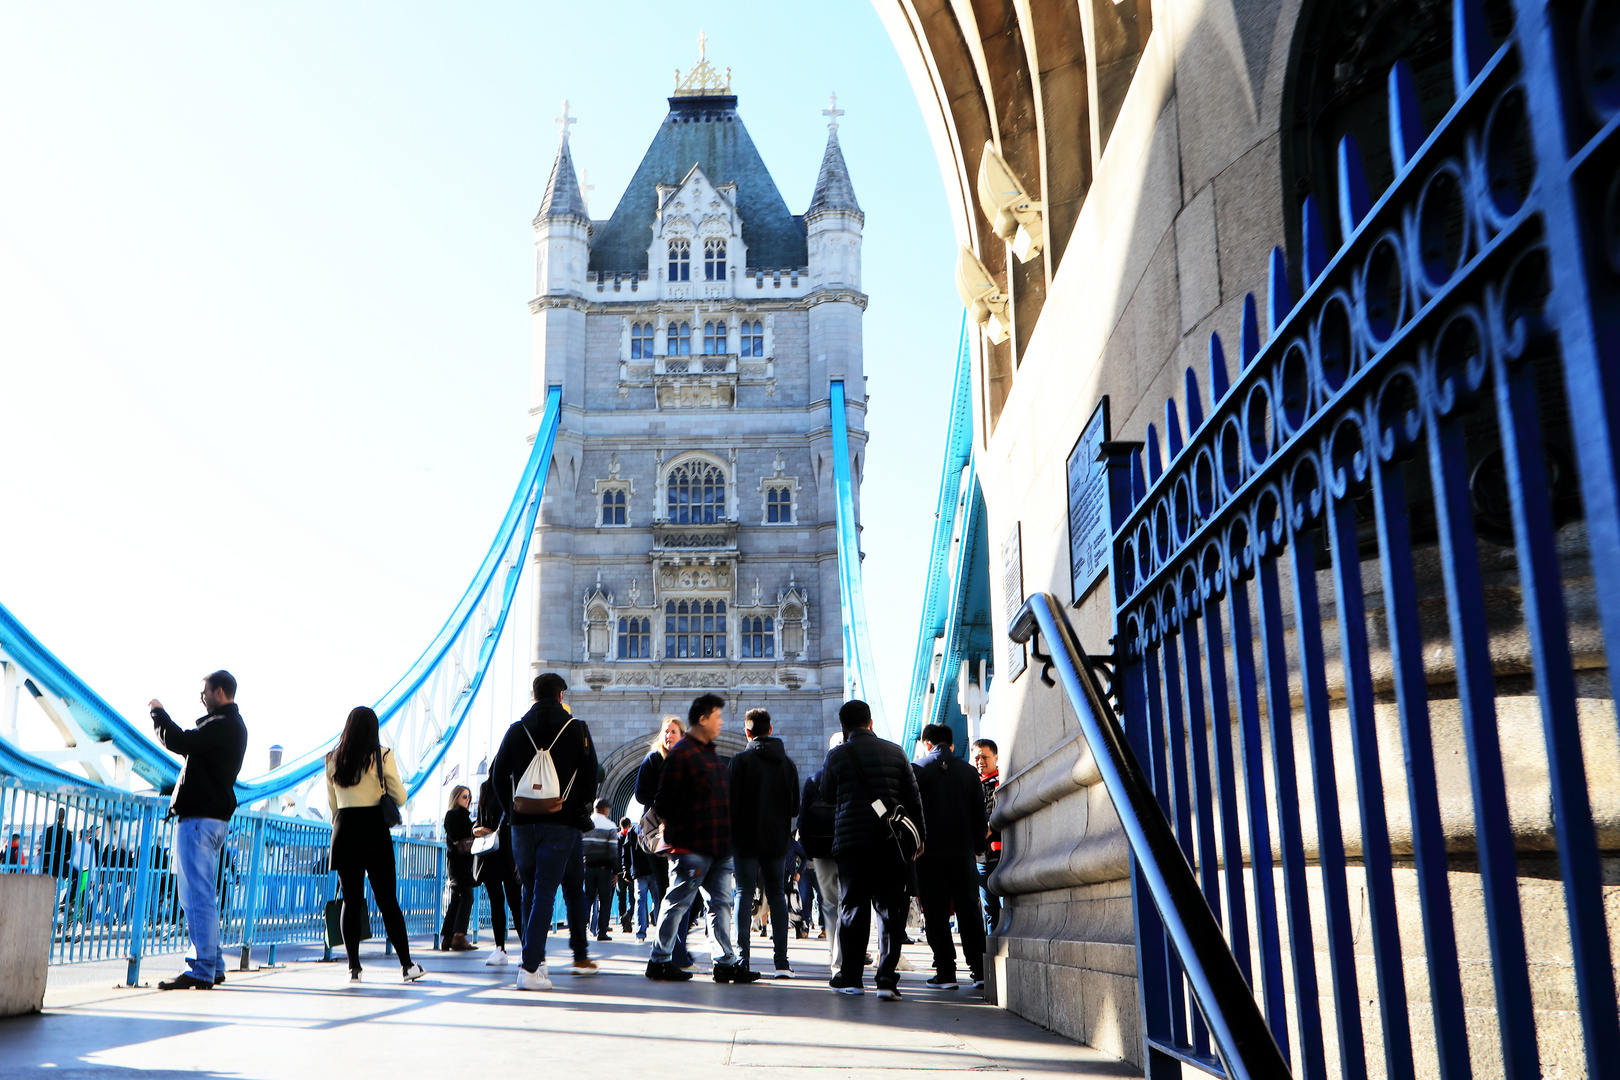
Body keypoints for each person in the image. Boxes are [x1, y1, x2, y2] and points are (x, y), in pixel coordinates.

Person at [491, 672, 599, 991]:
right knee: (545, 891)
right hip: (561, 821)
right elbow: (592, 775)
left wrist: (512, 811)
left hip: (522, 823)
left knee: (529, 889)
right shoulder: (576, 728)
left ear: (534, 696)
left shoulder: (515, 730)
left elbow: (498, 777)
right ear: (561, 696)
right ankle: (529, 968)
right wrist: (579, 808)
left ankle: (535, 959)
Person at [646, 693, 759, 984]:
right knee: (677, 903)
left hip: (719, 847)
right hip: (692, 846)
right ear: (703, 718)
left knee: (721, 905)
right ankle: (659, 961)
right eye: (718, 716)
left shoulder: (709, 752)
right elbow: (663, 802)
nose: (722, 722)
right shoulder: (682, 754)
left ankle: (725, 963)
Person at [149, 671, 249, 991]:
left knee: (195, 895)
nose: (202, 697)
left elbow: (180, 741)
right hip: (214, 821)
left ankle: (201, 968)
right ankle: (214, 963)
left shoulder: (221, 726)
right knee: (203, 893)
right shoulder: (234, 727)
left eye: (204, 691)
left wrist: (157, 713)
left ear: (219, 691)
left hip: (198, 821)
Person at [821, 699, 925, 1000]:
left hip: (851, 844)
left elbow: (827, 796)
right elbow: (913, 798)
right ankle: (886, 980)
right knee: (890, 910)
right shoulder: (896, 752)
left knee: (853, 907)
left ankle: (852, 977)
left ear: (844, 727)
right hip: (890, 843)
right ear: (871, 722)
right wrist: (919, 839)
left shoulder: (837, 756)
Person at [324, 705, 427, 984]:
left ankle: (353, 969)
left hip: (344, 831)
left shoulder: (332, 759)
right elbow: (401, 797)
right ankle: (407, 967)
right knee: (387, 901)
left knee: (351, 900)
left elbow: (333, 805)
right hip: (374, 830)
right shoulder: (382, 755)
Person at [913, 724, 989, 989]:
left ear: (927, 744)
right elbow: (980, 816)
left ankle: (945, 973)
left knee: (935, 913)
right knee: (968, 909)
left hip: (928, 854)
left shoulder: (916, 769)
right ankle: (979, 971)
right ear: (952, 745)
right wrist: (978, 845)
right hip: (962, 853)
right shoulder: (969, 773)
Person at [728, 708, 800, 978]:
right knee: (777, 896)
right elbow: (794, 809)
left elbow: (730, 805)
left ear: (747, 732)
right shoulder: (788, 764)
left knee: (743, 893)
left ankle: (742, 960)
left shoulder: (739, 761)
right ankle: (781, 963)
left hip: (745, 840)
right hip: (776, 840)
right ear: (770, 730)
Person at [635, 715, 694, 969]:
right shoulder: (653, 760)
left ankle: (672, 947)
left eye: (674, 731)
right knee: (666, 892)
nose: (669, 735)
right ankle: (672, 953)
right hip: (659, 835)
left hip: (685, 833)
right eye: (666, 731)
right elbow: (640, 794)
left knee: (688, 893)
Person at [799, 730, 843, 971]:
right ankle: (847, 953)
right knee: (852, 902)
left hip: (823, 851)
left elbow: (803, 820)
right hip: (851, 848)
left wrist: (809, 850)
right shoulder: (856, 777)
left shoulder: (814, 780)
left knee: (831, 904)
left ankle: (837, 959)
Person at [473, 775, 524, 967]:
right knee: (503, 902)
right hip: (496, 852)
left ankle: (519, 948)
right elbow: (478, 823)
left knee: (513, 901)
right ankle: (500, 948)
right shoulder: (510, 786)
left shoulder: (491, 788)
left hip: (504, 853)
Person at [970, 738, 1002, 934]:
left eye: (985, 757)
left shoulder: (1003, 781)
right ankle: (992, 950)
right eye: (976, 757)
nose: (980, 761)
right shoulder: (971, 784)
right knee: (988, 909)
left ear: (996, 757)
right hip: (982, 858)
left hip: (1003, 854)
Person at [440, 785, 476, 951]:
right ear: (456, 798)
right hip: (458, 863)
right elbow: (457, 835)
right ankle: (459, 936)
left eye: (469, 797)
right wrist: (475, 830)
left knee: (456, 899)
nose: (467, 800)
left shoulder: (463, 817)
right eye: (464, 796)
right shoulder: (452, 815)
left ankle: (447, 937)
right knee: (467, 896)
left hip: (460, 863)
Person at [583, 799, 619, 941]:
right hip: (604, 869)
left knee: (587, 898)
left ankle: (580, 929)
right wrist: (615, 872)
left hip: (587, 868)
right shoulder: (610, 826)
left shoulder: (586, 824)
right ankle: (602, 932)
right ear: (604, 809)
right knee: (604, 900)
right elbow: (613, 851)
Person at [615, 817, 635, 934]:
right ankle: (629, 914)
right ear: (630, 824)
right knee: (633, 897)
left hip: (618, 873)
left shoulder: (616, 837)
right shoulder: (633, 835)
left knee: (620, 898)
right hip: (631, 872)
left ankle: (623, 921)